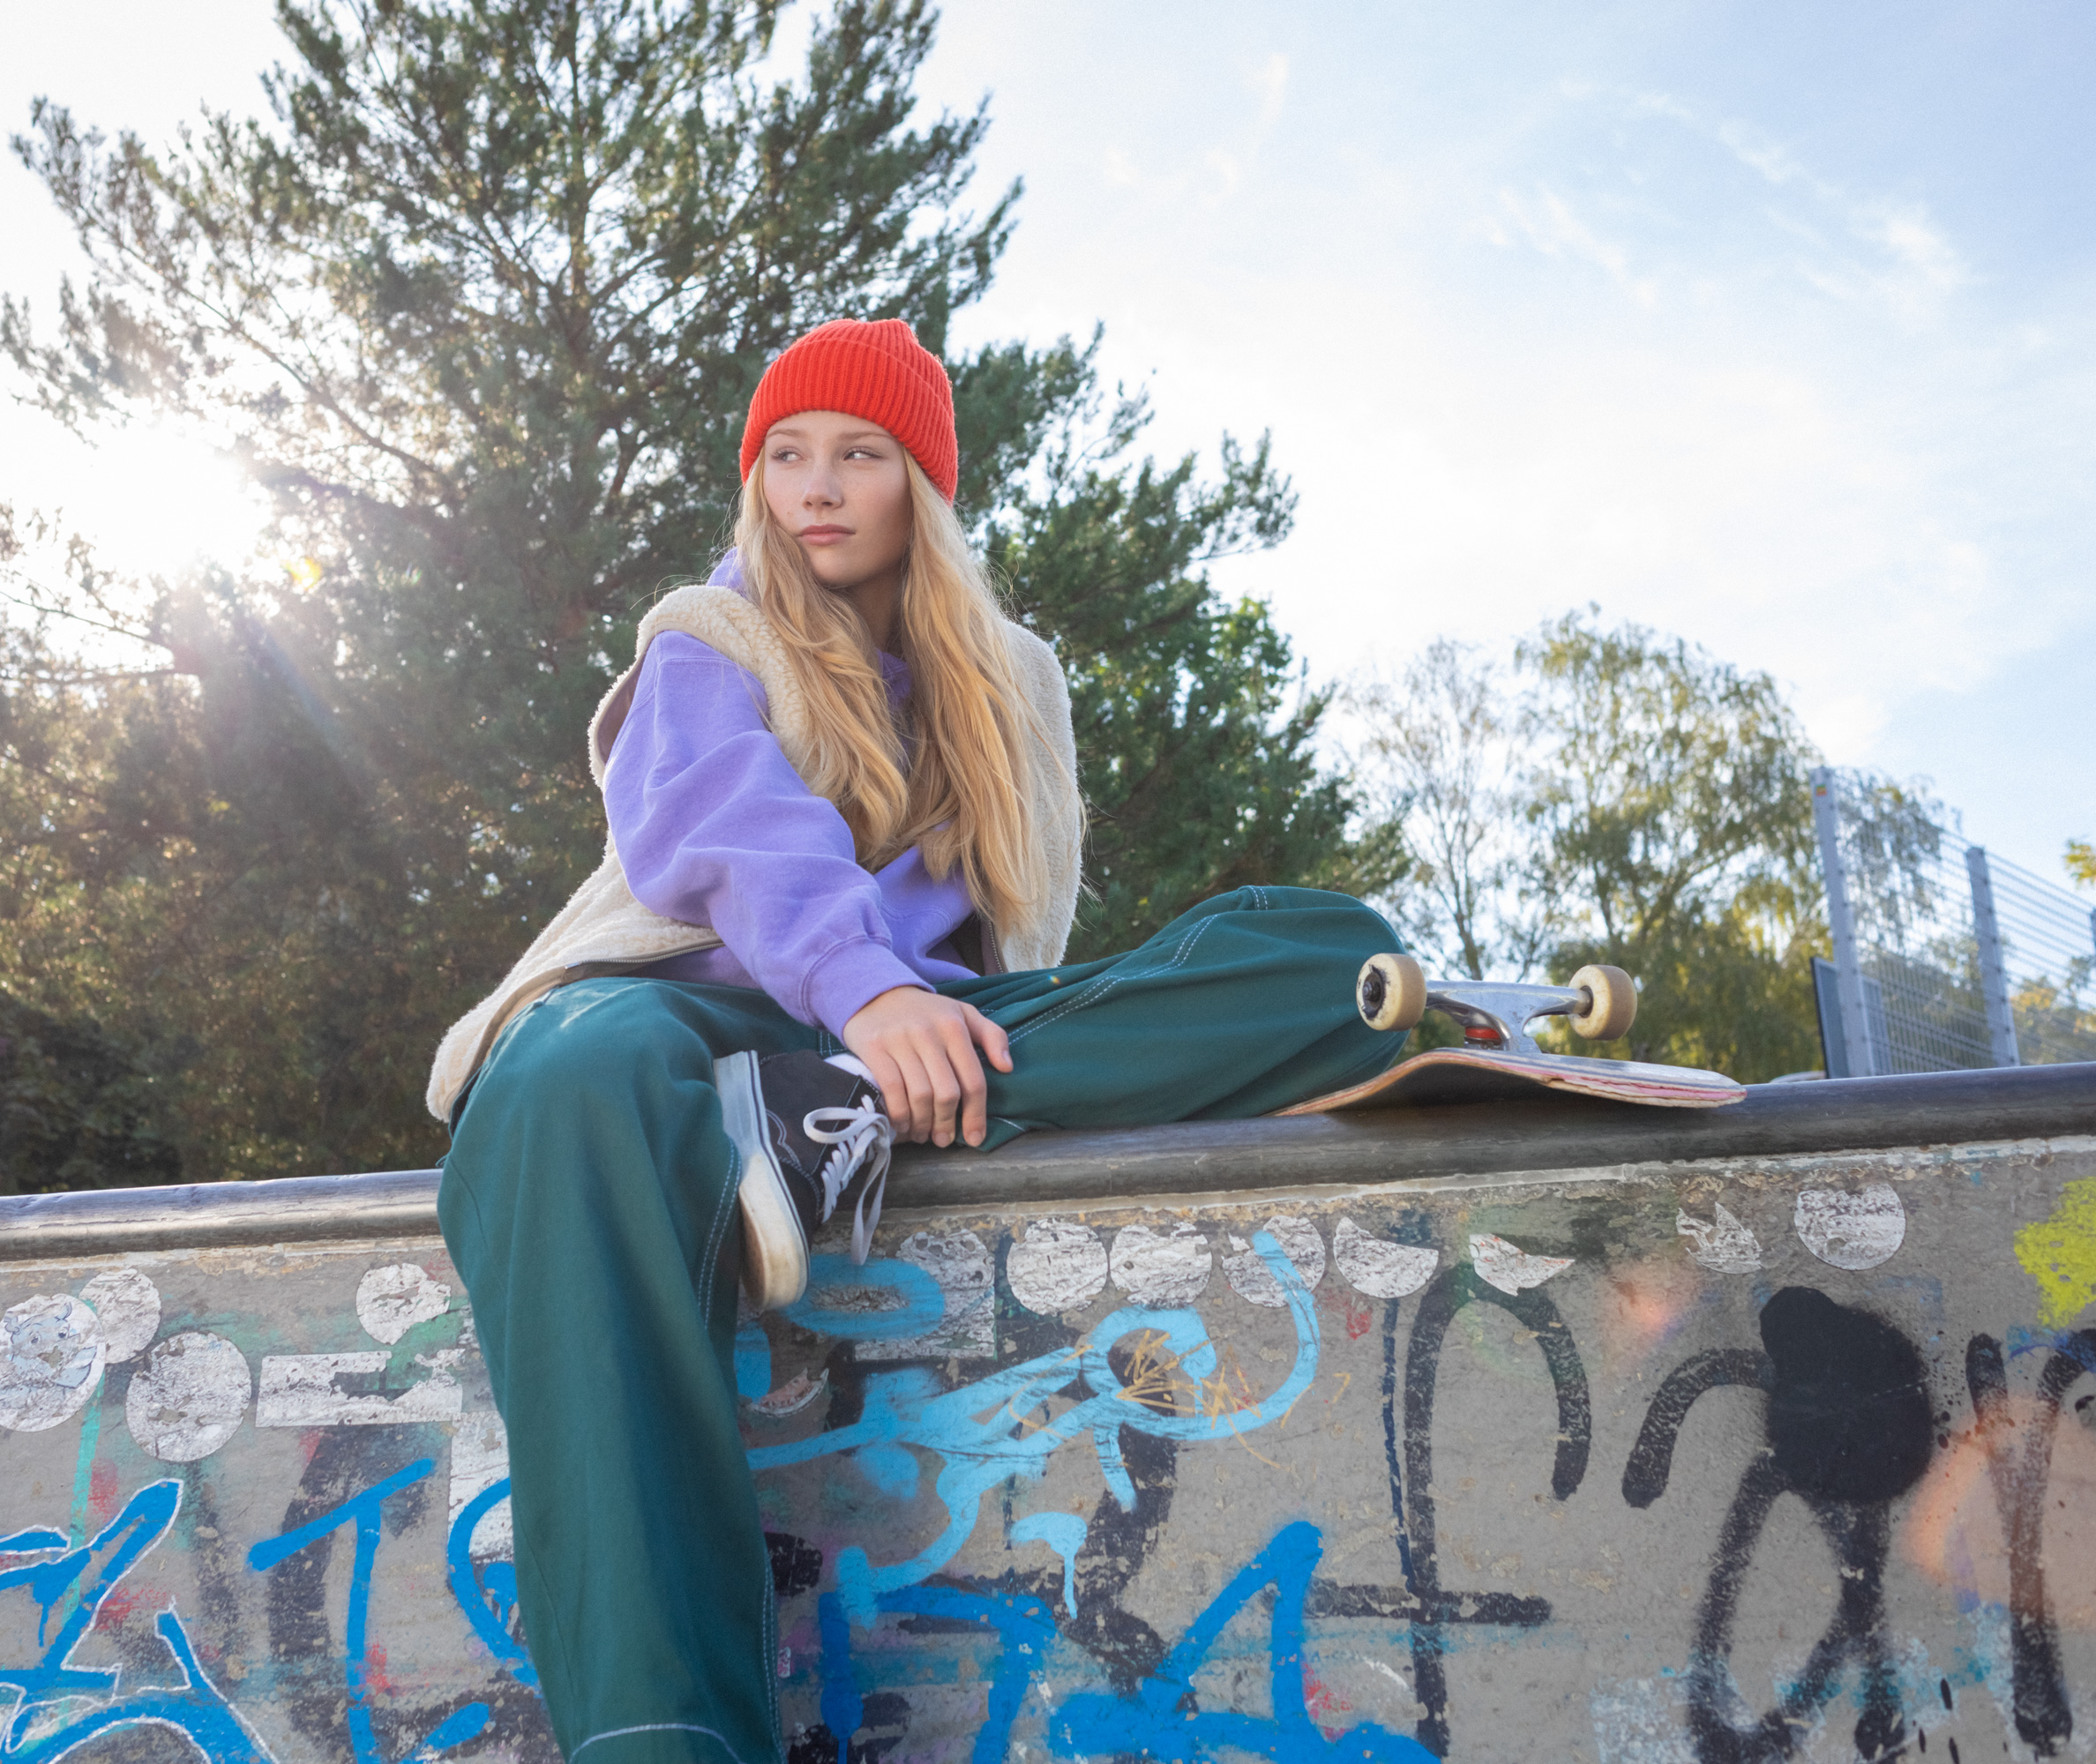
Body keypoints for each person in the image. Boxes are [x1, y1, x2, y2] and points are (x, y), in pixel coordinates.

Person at [427, 318, 1404, 1764]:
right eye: (787, 457)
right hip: (682, 1004)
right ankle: (660, 1734)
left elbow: (1033, 913)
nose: (817, 488)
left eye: (860, 457)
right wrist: (860, 992)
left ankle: (817, 1114)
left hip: (910, 1039)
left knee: (1339, 962)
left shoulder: (1008, 678)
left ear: (920, 490)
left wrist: (964, 1056)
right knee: (562, 1074)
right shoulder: (712, 633)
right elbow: (723, 826)